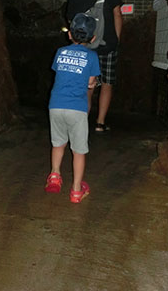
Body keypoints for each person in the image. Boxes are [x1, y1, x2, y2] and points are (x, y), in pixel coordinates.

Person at [44, 13, 101, 203]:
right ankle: (76, 190)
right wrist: (91, 84)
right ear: (93, 38)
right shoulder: (92, 57)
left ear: (69, 34)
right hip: (77, 108)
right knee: (78, 151)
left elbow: (59, 72)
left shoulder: (60, 52)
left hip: (56, 106)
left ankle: (54, 175)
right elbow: (90, 83)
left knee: (58, 144)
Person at [65, 0, 123, 134]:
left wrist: (77, 43)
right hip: (107, 45)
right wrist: (116, 40)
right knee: (106, 84)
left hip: (84, 46)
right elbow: (117, 15)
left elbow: (71, 21)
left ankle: (81, 124)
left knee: (86, 86)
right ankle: (100, 123)